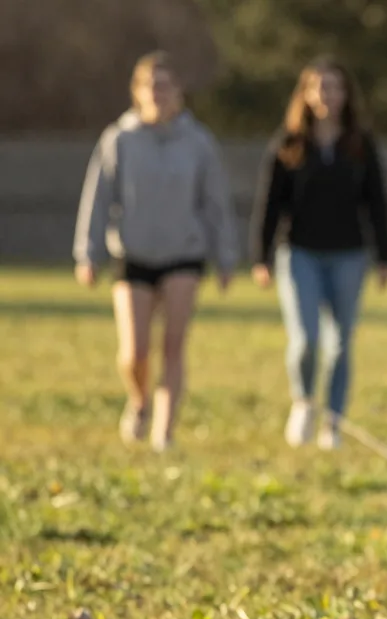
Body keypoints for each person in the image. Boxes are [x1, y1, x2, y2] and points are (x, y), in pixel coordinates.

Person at [74, 51, 238, 452]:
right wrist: (87, 251)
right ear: (137, 92)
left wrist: (226, 254)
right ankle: (140, 401)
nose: (159, 93)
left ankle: (165, 430)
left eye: (166, 85)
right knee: (136, 351)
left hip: (184, 253)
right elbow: (98, 197)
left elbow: (215, 202)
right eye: (152, 85)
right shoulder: (120, 139)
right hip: (134, 253)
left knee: (174, 345)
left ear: (179, 92)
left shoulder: (198, 142)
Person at [251, 56, 387, 451]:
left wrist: (385, 256)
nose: (327, 95)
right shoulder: (289, 143)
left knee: (342, 342)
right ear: (306, 94)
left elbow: (377, 202)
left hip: (349, 254)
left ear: (347, 95)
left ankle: (334, 420)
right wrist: (260, 257)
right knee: (307, 338)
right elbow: (269, 204)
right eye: (319, 87)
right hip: (299, 254)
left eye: (335, 87)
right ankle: (303, 402)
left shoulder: (360, 145)